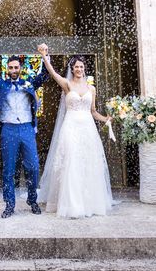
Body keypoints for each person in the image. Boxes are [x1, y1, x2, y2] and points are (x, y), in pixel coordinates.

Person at [36, 45, 113, 218]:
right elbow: (53, 73)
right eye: (76, 66)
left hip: (87, 129)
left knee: (87, 162)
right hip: (70, 127)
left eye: (81, 67)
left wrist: (105, 119)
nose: (79, 69)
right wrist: (45, 56)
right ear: (72, 68)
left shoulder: (91, 88)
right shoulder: (67, 84)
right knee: (71, 161)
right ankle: (72, 205)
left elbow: (93, 111)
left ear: (84, 69)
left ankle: (88, 203)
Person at [0, 39, 49, 218]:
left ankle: (32, 200)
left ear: (21, 68)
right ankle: (9, 204)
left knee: (33, 167)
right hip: (8, 129)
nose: (14, 70)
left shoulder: (29, 83)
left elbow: (45, 75)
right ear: (7, 69)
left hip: (26, 129)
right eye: (11, 68)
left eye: (16, 67)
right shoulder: (2, 84)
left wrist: (45, 55)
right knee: (8, 169)